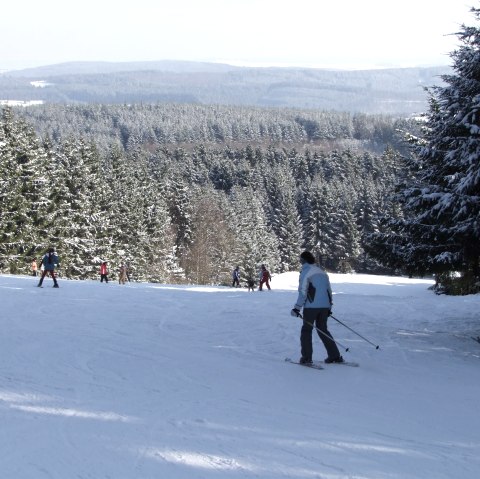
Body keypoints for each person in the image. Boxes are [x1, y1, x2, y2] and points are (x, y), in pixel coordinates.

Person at [291, 251, 343, 364]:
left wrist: (297, 308)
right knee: (323, 330)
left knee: (306, 330)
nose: (300, 262)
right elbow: (329, 291)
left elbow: (303, 292)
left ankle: (306, 358)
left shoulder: (306, 272)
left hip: (311, 307)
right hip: (325, 307)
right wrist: (329, 307)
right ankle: (334, 355)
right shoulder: (322, 272)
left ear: (303, 260)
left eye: (300, 260)